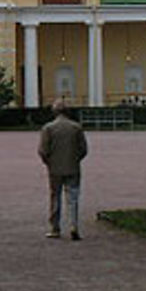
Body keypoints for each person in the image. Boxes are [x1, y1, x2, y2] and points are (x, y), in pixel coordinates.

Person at [39, 99, 88, 241]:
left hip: (54, 168)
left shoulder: (48, 128)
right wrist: (75, 159)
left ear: (54, 111)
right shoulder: (76, 127)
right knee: (73, 198)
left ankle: (55, 228)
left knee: (55, 197)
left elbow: (43, 150)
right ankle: (73, 226)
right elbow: (84, 149)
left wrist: (48, 162)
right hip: (73, 167)